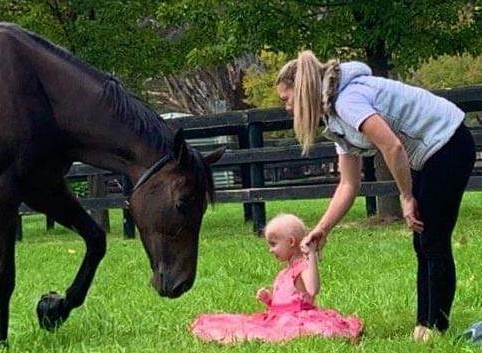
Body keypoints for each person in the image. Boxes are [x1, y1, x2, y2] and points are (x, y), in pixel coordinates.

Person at [276, 50, 476, 342]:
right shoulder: (335, 118)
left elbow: (392, 147)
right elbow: (348, 184)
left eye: (286, 99)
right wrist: (322, 228)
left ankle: (435, 328)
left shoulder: (348, 100)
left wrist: (407, 197)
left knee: (432, 237)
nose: (287, 107)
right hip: (429, 153)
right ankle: (426, 324)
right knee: (423, 240)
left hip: (448, 143)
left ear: (302, 89)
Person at [190, 214, 363, 344]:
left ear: (291, 242)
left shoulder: (302, 267)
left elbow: (313, 289)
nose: (270, 250)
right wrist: (269, 300)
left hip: (297, 318)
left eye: (273, 244)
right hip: (280, 317)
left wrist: (311, 255)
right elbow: (286, 301)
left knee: (272, 332)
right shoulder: (284, 273)